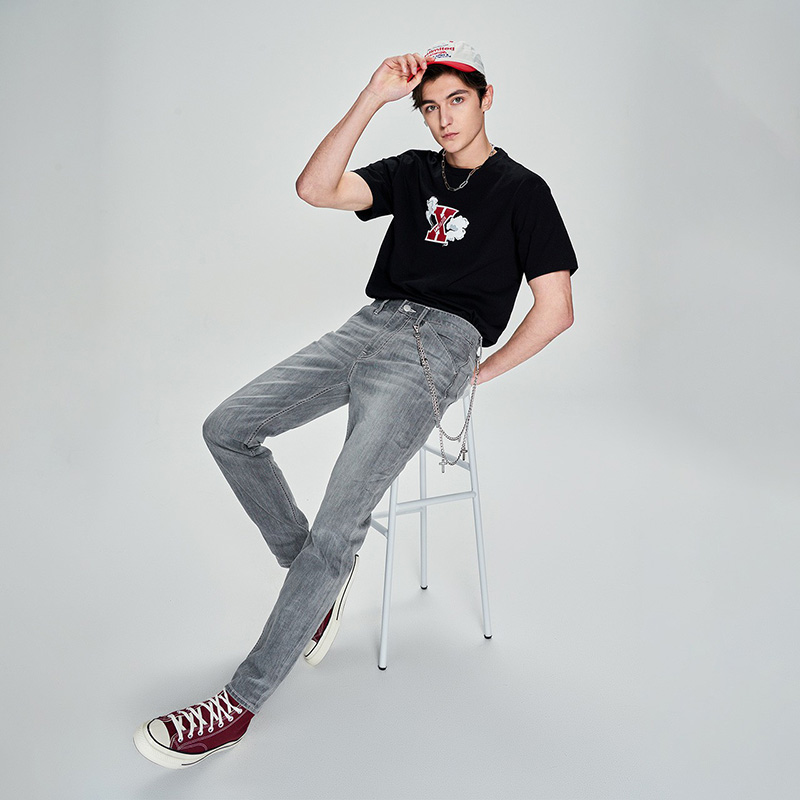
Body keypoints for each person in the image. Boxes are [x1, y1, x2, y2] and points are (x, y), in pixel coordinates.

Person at [134, 40, 578, 769]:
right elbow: (314, 189)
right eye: (429, 107)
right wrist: (373, 96)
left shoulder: (524, 191)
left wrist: (480, 371)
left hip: (438, 349)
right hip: (367, 327)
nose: (443, 118)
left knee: (340, 523)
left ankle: (239, 703)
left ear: (486, 98)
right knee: (229, 428)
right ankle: (315, 580)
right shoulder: (413, 171)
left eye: (457, 101)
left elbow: (556, 307)